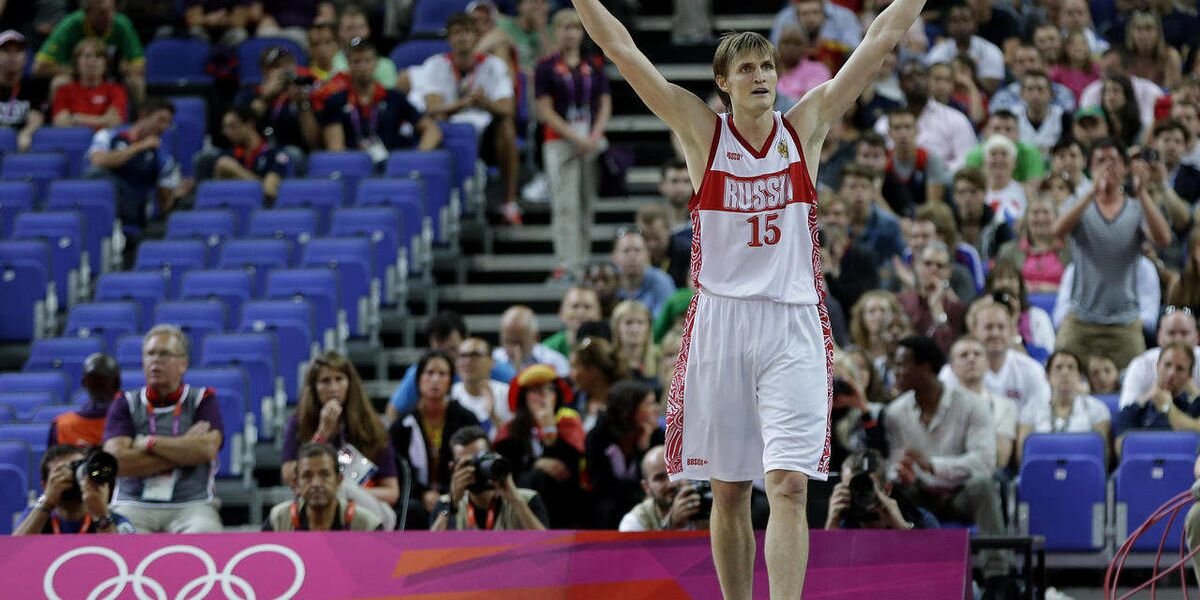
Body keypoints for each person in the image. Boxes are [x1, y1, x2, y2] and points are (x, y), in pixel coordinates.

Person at [580, 0, 938, 588]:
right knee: (728, 490)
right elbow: (621, 49)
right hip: (722, 320)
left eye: (766, 65)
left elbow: (880, 38)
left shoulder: (806, 124)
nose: (760, 76)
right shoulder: (703, 132)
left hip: (792, 320)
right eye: (745, 68)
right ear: (723, 82)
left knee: (790, 484)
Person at [885, 336, 1009, 588]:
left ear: (925, 367)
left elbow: (984, 462)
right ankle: (906, 576)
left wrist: (932, 465)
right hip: (919, 496)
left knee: (983, 484)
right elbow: (893, 464)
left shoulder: (973, 405)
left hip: (961, 495)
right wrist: (901, 474)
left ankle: (998, 580)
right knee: (894, 491)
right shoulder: (895, 413)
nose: (896, 372)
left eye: (902, 364)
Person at [1053, 138, 1172, 369]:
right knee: (1060, 372)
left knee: (1137, 380)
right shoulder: (1080, 205)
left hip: (1124, 324)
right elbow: (1057, 232)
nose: (1108, 167)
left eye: (1114, 161)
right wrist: (1091, 192)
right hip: (1080, 320)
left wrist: (1142, 193)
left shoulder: (1136, 207)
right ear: (1090, 167)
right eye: (1101, 161)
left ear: (1126, 167)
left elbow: (1164, 239)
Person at [101, 325, 224, 533]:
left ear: (183, 364)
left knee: (205, 531)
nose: (155, 361)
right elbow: (116, 462)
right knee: (121, 536)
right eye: (150, 354)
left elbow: (207, 449)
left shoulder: (202, 400)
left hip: (191, 504)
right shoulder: (125, 402)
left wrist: (149, 443)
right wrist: (185, 448)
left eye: (164, 354)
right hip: (134, 503)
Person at [416, 12, 520, 222]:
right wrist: (463, 103)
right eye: (457, 33)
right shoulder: (435, 64)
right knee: (430, 126)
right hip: (449, 132)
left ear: (476, 37)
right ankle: (433, 201)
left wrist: (484, 102)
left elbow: (508, 108)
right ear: (449, 38)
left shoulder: (494, 65)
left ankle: (509, 201)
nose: (462, 37)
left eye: (467, 32)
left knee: (507, 127)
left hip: (486, 133)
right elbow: (433, 108)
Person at [280, 351, 399, 528]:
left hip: (365, 506)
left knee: (343, 489)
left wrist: (349, 492)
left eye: (339, 379)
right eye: (325, 381)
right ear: (314, 388)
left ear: (350, 383)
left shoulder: (371, 427)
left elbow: (392, 492)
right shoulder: (299, 423)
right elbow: (291, 478)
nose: (333, 387)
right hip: (314, 506)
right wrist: (322, 434)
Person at [536, 8, 612, 263]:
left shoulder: (593, 64)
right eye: (564, 28)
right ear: (555, 32)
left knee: (586, 204)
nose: (570, 34)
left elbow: (605, 103)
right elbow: (545, 110)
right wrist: (577, 138)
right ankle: (567, 264)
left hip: (589, 140)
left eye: (575, 28)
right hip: (560, 142)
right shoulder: (546, 67)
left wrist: (594, 136)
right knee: (565, 205)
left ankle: (583, 261)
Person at [389, 350, 481, 529]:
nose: (435, 379)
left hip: (457, 495)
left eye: (442, 373)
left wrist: (450, 493)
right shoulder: (403, 425)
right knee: (411, 510)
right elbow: (398, 469)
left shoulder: (466, 419)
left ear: (451, 380)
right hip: (416, 498)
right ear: (418, 379)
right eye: (429, 373)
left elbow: (475, 459)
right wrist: (423, 493)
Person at [494, 364, 586, 528]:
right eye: (536, 390)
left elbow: (568, 470)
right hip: (521, 503)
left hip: (562, 506)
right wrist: (535, 464)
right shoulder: (510, 431)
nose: (544, 396)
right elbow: (506, 472)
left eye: (549, 389)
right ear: (524, 397)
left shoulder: (569, 423)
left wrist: (549, 432)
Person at [386, 311, 516, 423]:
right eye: (439, 351)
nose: (446, 358)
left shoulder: (491, 366)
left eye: (453, 350)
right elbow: (394, 410)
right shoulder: (422, 373)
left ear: (465, 339)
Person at [321, 39, 441, 155]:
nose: (363, 67)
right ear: (348, 64)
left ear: (376, 63)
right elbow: (336, 149)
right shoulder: (336, 101)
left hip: (392, 163)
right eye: (356, 62)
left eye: (367, 61)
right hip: (353, 164)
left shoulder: (394, 98)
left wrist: (417, 157)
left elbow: (431, 130)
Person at [87, 97, 185, 235]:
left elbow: (164, 206)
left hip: (134, 210)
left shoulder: (163, 158)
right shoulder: (108, 135)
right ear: (143, 115)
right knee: (96, 175)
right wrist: (140, 146)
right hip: (107, 202)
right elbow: (98, 161)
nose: (164, 127)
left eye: (168, 123)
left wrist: (177, 196)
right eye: (161, 120)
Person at [431, 425, 550, 531]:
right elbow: (430, 545)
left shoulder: (527, 499)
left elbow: (544, 545)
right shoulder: (445, 504)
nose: (474, 470)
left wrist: (515, 499)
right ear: (453, 467)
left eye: (479, 460)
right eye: (467, 464)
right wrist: (451, 505)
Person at [941, 299, 1051, 414]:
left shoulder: (1032, 370)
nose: (995, 333)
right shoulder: (952, 372)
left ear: (1011, 330)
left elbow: (1039, 415)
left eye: (1001, 327)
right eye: (988, 327)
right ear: (973, 331)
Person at [585, 379, 663, 528]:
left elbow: (652, 482)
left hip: (642, 501)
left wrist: (643, 448)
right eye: (649, 404)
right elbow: (599, 484)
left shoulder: (657, 436)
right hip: (607, 508)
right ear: (629, 409)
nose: (656, 409)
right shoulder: (598, 436)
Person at [33, 0, 145, 102]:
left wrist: (119, 68)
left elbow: (140, 65)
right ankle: (59, 116)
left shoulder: (121, 23)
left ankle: (139, 116)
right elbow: (39, 68)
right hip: (76, 76)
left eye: (113, 10)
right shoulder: (70, 25)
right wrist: (79, 71)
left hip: (111, 75)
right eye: (102, 13)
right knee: (59, 83)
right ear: (87, 13)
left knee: (136, 82)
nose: (110, 17)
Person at [13, 445, 135, 535]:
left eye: (79, 468)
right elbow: (14, 554)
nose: (71, 476)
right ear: (45, 485)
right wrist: (46, 502)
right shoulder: (34, 516)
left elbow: (123, 558)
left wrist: (101, 515)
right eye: (60, 472)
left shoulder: (115, 520)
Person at [265, 442, 385, 531]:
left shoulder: (367, 525)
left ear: (339, 480)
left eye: (325, 474)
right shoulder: (279, 521)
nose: (316, 483)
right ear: (296, 483)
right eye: (307, 476)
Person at [1016, 350, 1111, 462]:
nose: (1065, 373)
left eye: (1071, 367)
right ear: (1047, 376)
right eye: (1058, 367)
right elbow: (1022, 456)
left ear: (1079, 376)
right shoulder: (1031, 409)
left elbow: (1102, 455)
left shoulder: (1097, 409)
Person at [948, 337, 1018, 471]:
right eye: (964, 355)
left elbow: (1000, 459)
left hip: (989, 475)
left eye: (977, 354)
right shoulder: (942, 404)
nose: (971, 359)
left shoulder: (1006, 406)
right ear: (952, 367)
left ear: (987, 363)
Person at [825, 449, 938, 530]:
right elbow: (827, 556)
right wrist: (832, 524)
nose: (860, 493)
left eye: (867, 487)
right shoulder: (843, 525)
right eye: (852, 488)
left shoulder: (920, 519)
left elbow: (934, 555)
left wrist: (902, 527)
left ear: (887, 489)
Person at [1115, 342, 1200, 441]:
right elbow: (1121, 445)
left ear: (1189, 375)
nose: (1171, 373)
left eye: (1180, 369)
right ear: (1157, 366)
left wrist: (1168, 408)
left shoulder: (1195, 406)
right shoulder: (1134, 409)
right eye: (1167, 365)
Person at [1118, 308, 1200, 409]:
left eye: (1184, 333)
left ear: (1197, 337)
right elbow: (1125, 410)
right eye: (1171, 333)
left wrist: (1196, 394)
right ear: (1159, 337)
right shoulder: (1142, 364)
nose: (1178, 339)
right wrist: (1152, 395)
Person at [620, 445, 710, 531]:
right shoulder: (636, 521)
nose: (671, 484)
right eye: (660, 478)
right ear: (646, 487)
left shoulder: (706, 504)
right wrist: (672, 525)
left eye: (676, 473)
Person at [897, 242, 966, 353]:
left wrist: (937, 307)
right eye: (927, 263)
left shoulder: (957, 308)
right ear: (917, 266)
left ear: (949, 271)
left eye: (940, 265)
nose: (933, 269)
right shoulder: (901, 301)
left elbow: (949, 349)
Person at [50, 38, 127, 131]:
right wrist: (102, 120)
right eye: (87, 56)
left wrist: (77, 118)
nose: (92, 61)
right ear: (77, 63)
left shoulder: (116, 90)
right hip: (75, 137)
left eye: (98, 56)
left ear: (106, 64)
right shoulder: (64, 91)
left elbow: (114, 121)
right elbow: (60, 122)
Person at [923, 4, 1004, 93]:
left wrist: (968, 73)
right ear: (947, 25)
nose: (960, 25)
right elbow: (931, 84)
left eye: (965, 20)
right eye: (955, 21)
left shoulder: (990, 50)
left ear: (975, 24)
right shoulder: (938, 51)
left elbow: (992, 87)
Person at [213, 106, 288, 200]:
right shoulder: (227, 155)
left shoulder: (275, 154)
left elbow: (269, 191)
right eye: (225, 128)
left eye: (232, 126)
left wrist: (235, 170)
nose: (227, 132)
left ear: (249, 124)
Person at [49, 353, 120, 448]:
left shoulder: (134, 418)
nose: (99, 384)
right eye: (94, 380)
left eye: (102, 380)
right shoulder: (62, 426)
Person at [451, 337, 512, 437]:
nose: (468, 361)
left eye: (475, 355)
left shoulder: (507, 393)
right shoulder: (449, 394)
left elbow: (517, 441)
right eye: (463, 356)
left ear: (492, 361)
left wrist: (493, 416)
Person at [611, 228, 676, 317]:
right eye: (626, 251)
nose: (632, 256)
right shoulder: (607, 281)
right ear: (614, 256)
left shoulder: (662, 281)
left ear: (648, 254)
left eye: (637, 250)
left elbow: (664, 320)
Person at [329, 5, 398, 89]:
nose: (355, 33)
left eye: (360, 27)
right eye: (349, 28)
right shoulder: (331, 63)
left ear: (368, 30)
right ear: (339, 32)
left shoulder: (385, 65)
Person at [0, 30, 47, 152]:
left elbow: (36, 116)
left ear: (26, 57)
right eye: (6, 51)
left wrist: (27, 132)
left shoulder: (35, 87)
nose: (12, 56)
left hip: (21, 148)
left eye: (18, 51)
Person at [570, 335, 629, 431]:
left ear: (593, 371)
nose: (571, 374)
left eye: (575, 367)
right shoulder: (572, 402)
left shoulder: (627, 405)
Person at [493, 304, 571, 376]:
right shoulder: (493, 360)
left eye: (519, 342)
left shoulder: (555, 362)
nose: (513, 349)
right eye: (507, 341)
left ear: (535, 338)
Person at [636, 203, 691, 289]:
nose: (651, 245)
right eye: (646, 238)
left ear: (668, 230)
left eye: (656, 238)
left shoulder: (688, 253)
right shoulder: (635, 255)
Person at [610, 299, 661, 387]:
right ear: (616, 327)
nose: (635, 329)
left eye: (640, 323)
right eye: (628, 323)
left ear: (649, 327)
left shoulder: (659, 357)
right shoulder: (609, 360)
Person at [543, 286, 603, 358]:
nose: (581, 313)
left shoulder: (608, 348)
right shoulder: (546, 351)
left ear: (599, 313)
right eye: (575, 306)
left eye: (587, 307)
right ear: (561, 312)